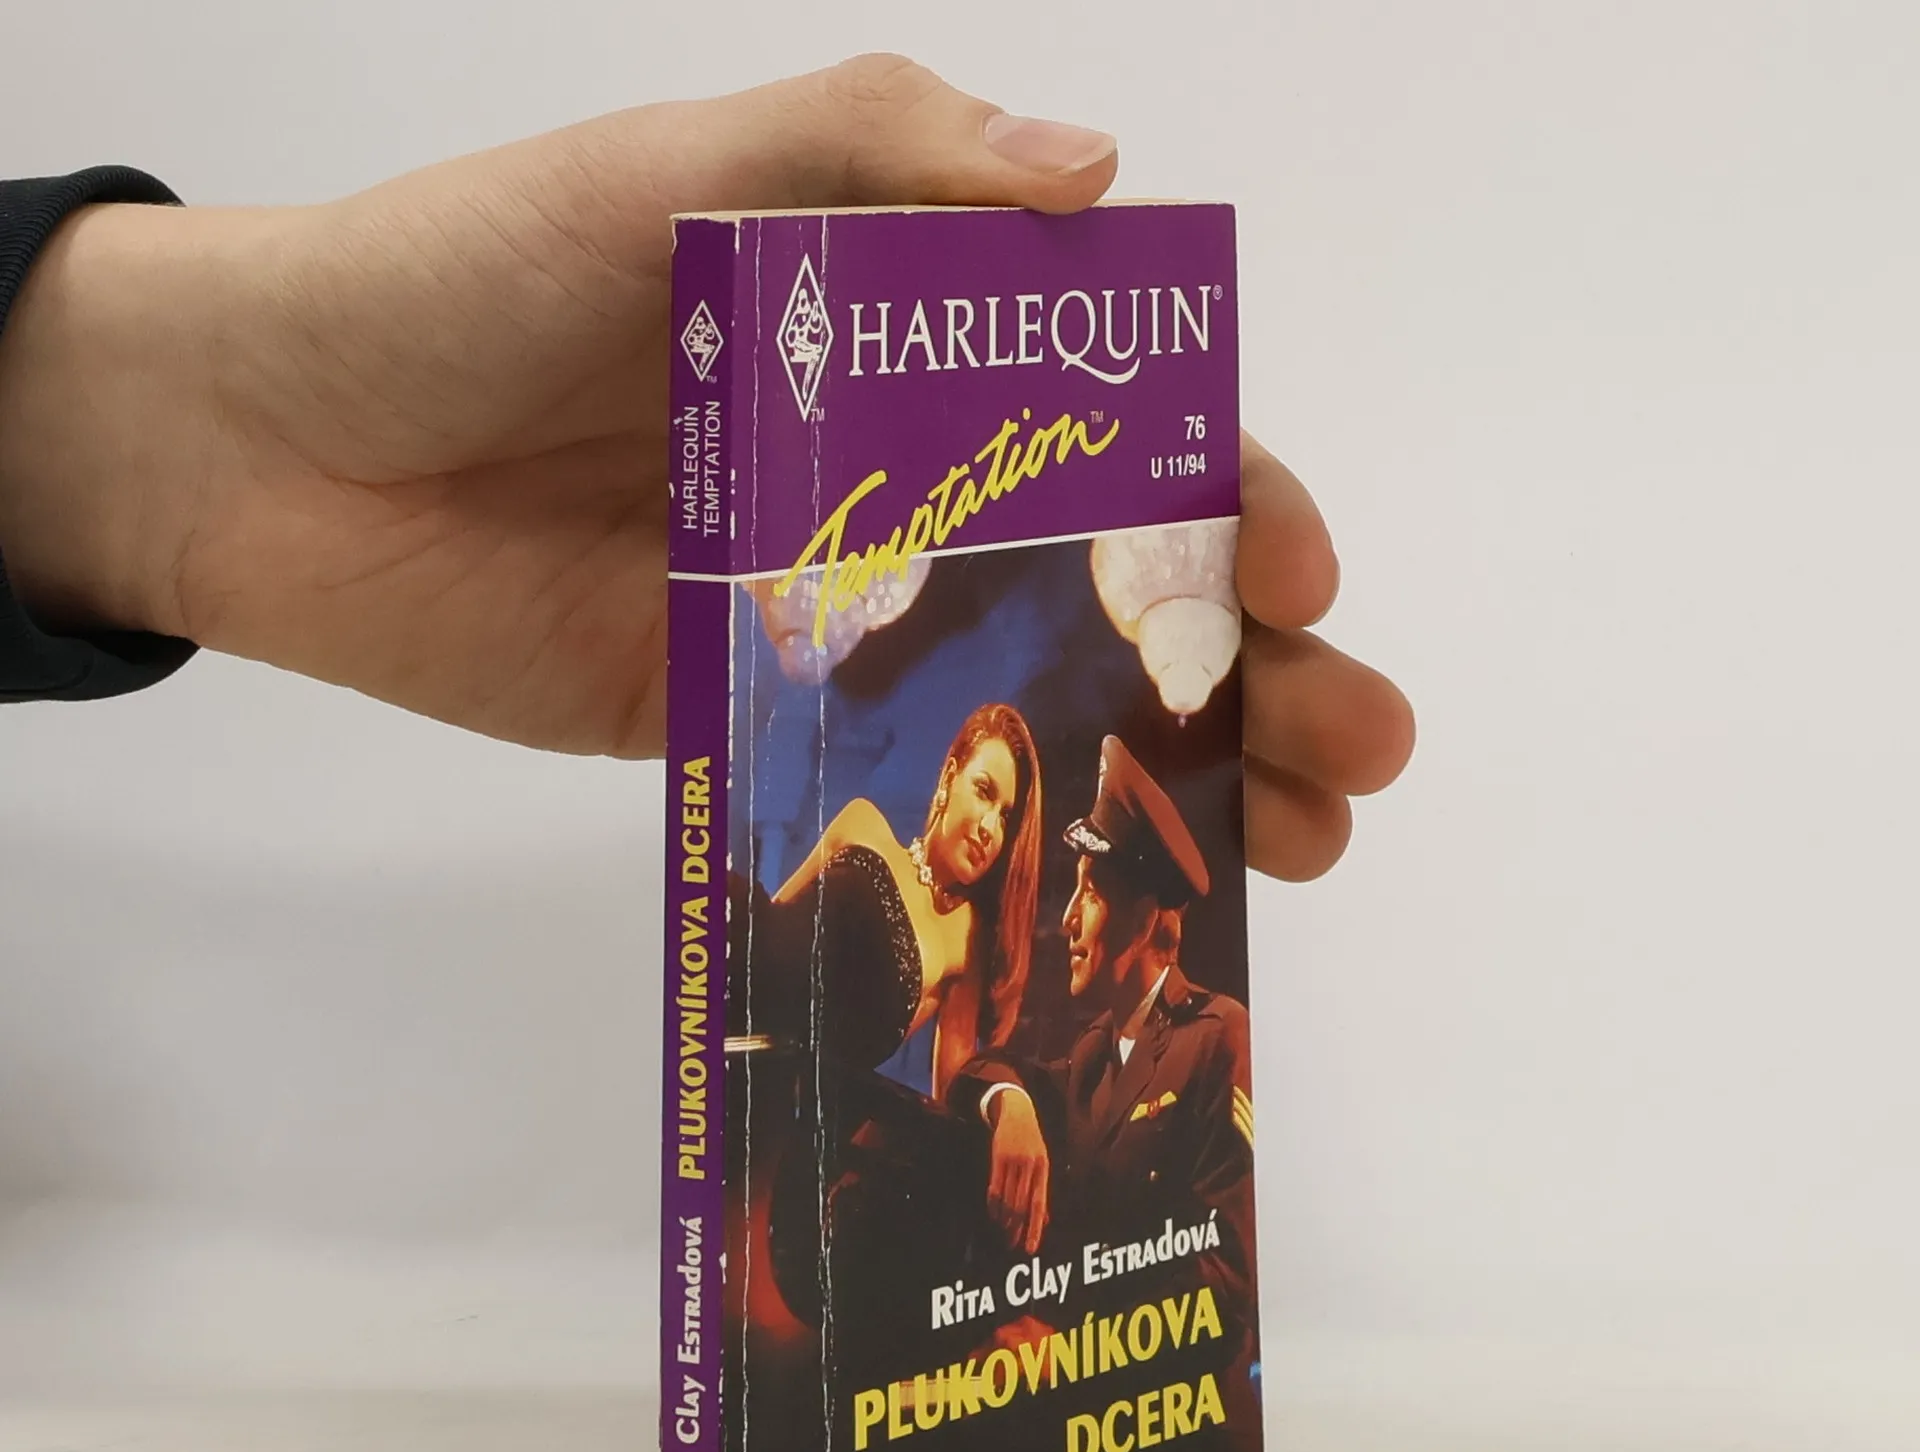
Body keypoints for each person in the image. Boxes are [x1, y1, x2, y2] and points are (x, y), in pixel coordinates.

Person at [0, 57, 1414, 882]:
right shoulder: (860, 852)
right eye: (985, 793)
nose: (986, 822)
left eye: (1002, 803)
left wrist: (175, 413)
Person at [945, 735, 1264, 1452]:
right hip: (1081, 1426)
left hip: (1179, 1451)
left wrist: (1066, 1348)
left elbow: (1227, 1281)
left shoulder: (1217, 1037)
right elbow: (981, 1071)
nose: (1067, 921)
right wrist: (1009, 1106)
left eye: (1090, 891)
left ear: (1151, 915)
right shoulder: (1090, 1058)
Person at [729, 702, 1042, 1095]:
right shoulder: (861, 822)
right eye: (984, 791)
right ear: (950, 778)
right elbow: (773, 921)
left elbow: (952, 1094)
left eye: (1006, 817)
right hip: (726, 967)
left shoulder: (964, 941)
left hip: (779, 1091)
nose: (989, 828)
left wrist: (1006, 1100)